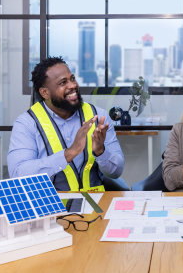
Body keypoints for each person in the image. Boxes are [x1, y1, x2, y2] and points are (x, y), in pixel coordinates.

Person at [8, 56, 124, 192]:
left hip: (95, 203)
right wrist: (68, 154)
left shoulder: (98, 116)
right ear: (45, 92)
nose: (73, 85)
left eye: (72, 79)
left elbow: (116, 172)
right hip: (50, 204)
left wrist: (100, 151)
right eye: (63, 83)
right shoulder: (27, 123)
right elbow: (18, 175)